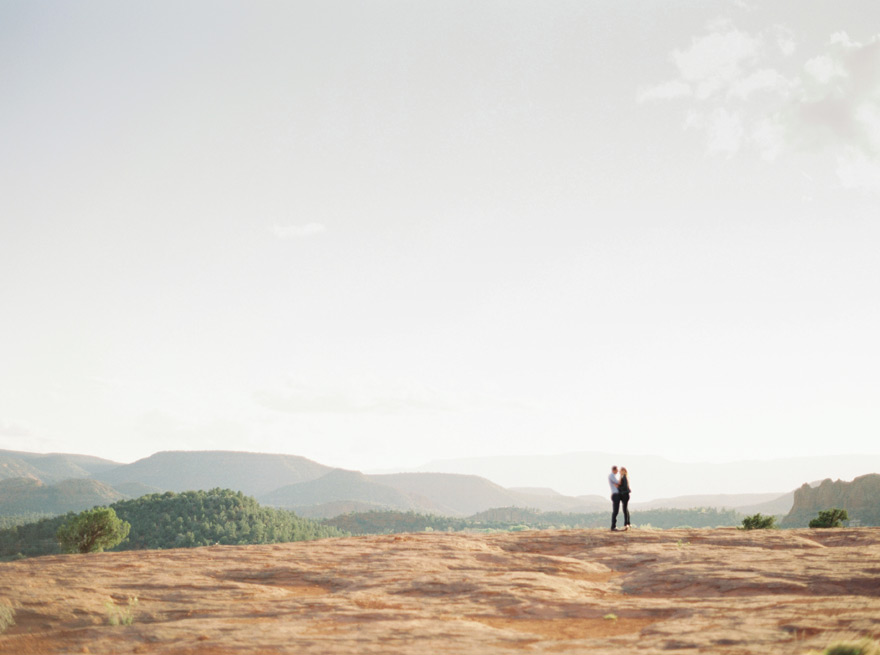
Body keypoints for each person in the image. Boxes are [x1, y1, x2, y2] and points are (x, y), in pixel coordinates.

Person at [608, 465, 620, 530]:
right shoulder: (611, 476)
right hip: (615, 495)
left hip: (616, 494)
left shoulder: (613, 476)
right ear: (614, 470)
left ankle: (614, 525)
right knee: (615, 511)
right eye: (617, 470)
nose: (617, 471)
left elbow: (617, 484)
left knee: (616, 511)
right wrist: (618, 483)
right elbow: (618, 482)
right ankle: (613, 526)